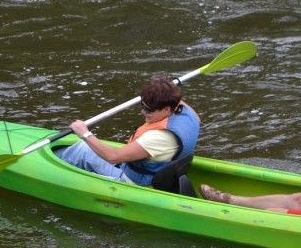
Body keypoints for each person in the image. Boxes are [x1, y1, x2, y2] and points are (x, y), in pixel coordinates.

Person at [55, 75, 200, 185]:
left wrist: (84, 133)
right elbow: (171, 97)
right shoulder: (188, 113)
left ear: (167, 108)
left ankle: (53, 168)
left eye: (149, 110)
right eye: (143, 106)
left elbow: (113, 157)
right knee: (86, 150)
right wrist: (163, 87)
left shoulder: (158, 138)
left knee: (82, 149)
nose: (143, 113)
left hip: (133, 181)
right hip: (161, 168)